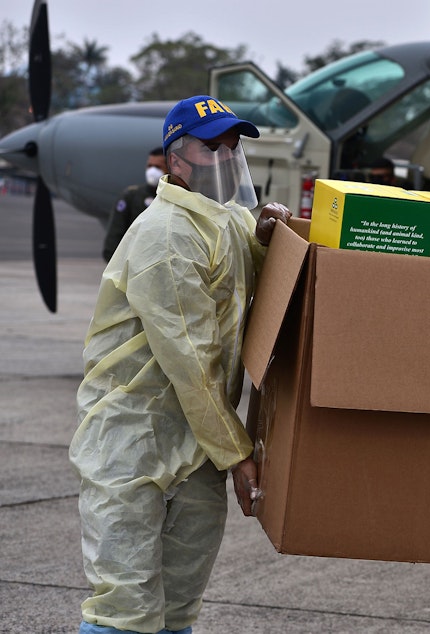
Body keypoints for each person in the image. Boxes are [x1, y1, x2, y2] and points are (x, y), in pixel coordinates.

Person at [70, 95, 292, 634]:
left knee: (177, 609)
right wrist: (240, 454)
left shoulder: (228, 222)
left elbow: (247, 280)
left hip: (197, 443)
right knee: (125, 608)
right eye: (210, 146)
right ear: (175, 159)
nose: (224, 157)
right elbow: (191, 362)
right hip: (134, 439)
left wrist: (269, 240)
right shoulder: (166, 236)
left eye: (232, 146)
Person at [102, 147, 168, 261]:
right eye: (149, 166)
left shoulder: (174, 197)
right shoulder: (131, 196)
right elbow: (115, 233)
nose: (152, 171)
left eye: (157, 167)